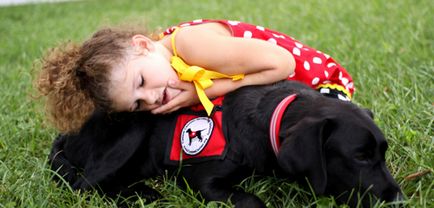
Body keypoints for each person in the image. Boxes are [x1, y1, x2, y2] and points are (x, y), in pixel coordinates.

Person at [36, 19, 354, 133]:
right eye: (137, 104)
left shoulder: (191, 46)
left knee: (318, 131)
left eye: (142, 83)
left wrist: (210, 90)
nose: (150, 98)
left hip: (315, 80)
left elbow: (282, 65)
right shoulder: (162, 66)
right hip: (269, 92)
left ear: (144, 45)